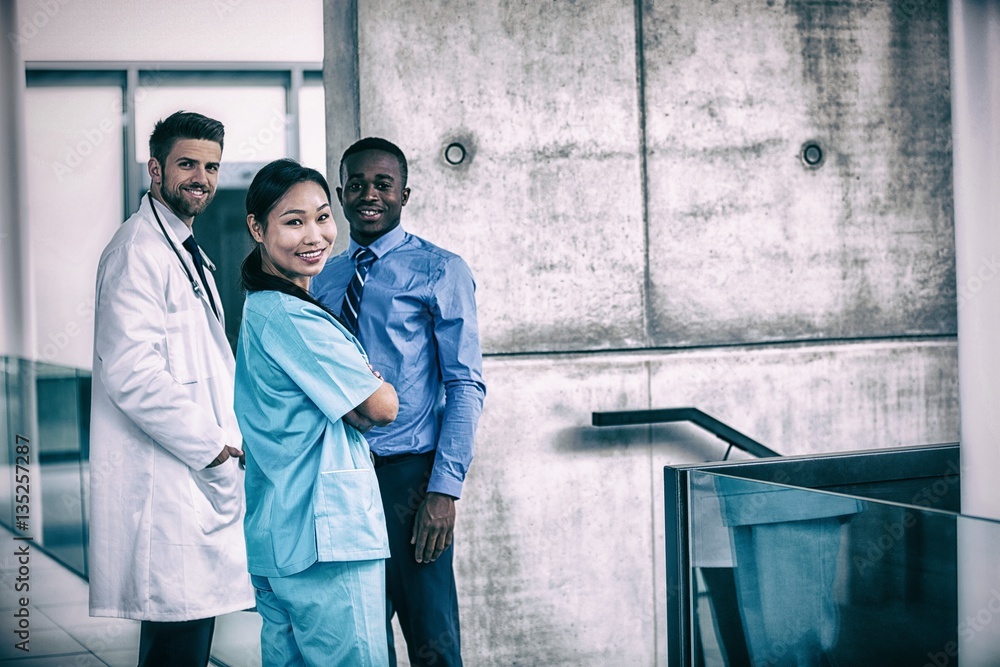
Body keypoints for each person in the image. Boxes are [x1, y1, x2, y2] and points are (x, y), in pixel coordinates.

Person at [312, 137, 486, 667]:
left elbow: (465, 385)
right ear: (340, 194)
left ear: (404, 194)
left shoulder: (440, 270)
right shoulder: (323, 275)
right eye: (357, 184)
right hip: (338, 473)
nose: (370, 194)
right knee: (359, 639)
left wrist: (443, 490)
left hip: (409, 481)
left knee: (433, 640)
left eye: (382, 184)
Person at [88, 111, 253, 666]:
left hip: (193, 475)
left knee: (184, 643)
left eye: (211, 166)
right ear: (156, 169)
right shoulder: (138, 250)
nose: (201, 177)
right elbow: (131, 371)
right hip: (173, 481)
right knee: (175, 648)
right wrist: (211, 447)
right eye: (188, 164)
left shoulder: (184, 249)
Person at [234, 158, 398, 665]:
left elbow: (359, 407)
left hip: (281, 536)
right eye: (293, 221)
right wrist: (371, 385)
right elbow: (382, 406)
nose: (315, 235)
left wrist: (359, 395)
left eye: (323, 217)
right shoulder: (290, 316)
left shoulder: (264, 308)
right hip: (325, 542)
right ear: (257, 228)